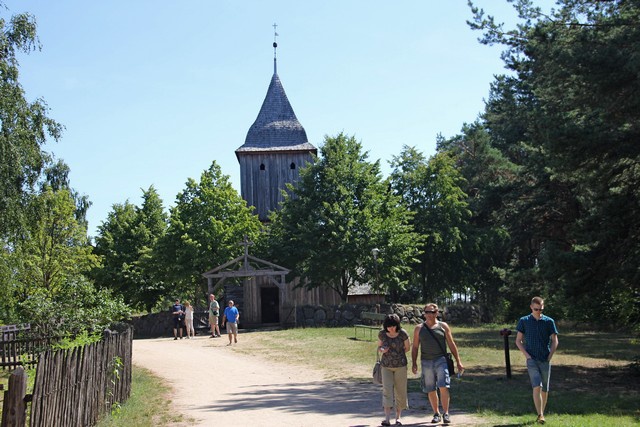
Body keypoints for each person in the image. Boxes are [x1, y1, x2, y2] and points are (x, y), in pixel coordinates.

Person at [411, 303, 464, 425]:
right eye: (427, 312)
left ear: (437, 313)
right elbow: (415, 347)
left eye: (433, 312)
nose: (430, 315)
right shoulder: (419, 328)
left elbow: (451, 344)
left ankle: (446, 413)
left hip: (441, 360)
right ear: (424, 313)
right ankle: (436, 413)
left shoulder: (443, 326)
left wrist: (458, 361)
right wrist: (414, 363)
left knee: (443, 386)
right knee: (430, 388)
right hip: (426, 361)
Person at [515, 296, 559, 425]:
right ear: (531, 308)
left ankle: (541, 413)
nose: (539, 311)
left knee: (545, 388)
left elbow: (555, 340)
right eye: (536, 309)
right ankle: (540, 414)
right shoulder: (524, 321)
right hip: (532, 359)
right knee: (537, 385)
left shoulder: (549, 321)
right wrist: (527, 355)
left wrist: (550, 355)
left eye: (541, 309)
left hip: (545, 358)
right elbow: (518, 340)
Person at [377, 313, 410, 426]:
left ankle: (398, 417)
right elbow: (379, 347)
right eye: (388, 326)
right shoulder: (382, 334)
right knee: (387, 390)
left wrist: (397, 354)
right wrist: (382, 350)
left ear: (397, 325)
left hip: (400, 366)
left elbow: (407, 348)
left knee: (400, 391)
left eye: (393, 326)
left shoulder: (403, 334)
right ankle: (387, 419)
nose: (391, 328)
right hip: (386, 366)